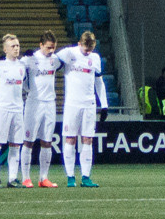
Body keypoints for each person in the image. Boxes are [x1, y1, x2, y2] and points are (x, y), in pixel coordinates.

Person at [55, 31, 108, 187]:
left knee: (88, 139)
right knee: (70, 139)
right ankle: (70, 177)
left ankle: (86, 177)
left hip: (89, 104)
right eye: (86, 48)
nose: (87, 52)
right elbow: (52, 59)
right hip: (72, 103)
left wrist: (104, 104)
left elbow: (99, 81)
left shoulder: (95, 58)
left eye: (90, 49)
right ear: (79, 44)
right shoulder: (68, 53)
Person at [0, 35, 30, 187]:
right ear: (5, 49)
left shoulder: (22, 67)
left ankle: (12, 178)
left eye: (17, 45)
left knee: (15, 145)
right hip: (2, 109)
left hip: (18, 109)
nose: (16, 48)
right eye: (12, 46)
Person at [26, 32, 64, 187]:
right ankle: (26, 177)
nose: (51, 51)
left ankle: (43, 178)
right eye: (48, 47)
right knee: (28, 141)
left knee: (47, 141)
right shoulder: (30, 59)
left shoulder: (55, 60)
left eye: (53, 48)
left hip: (50, 103)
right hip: (34, 103)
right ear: (40, 45)